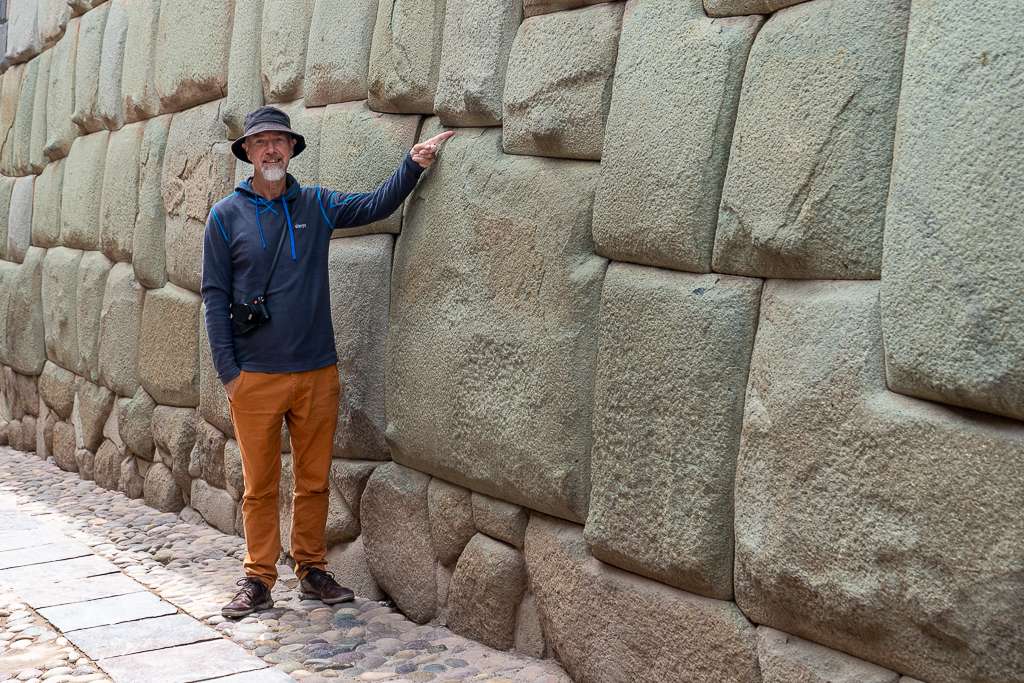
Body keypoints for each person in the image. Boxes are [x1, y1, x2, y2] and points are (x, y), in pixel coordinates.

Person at [201, 105, 453, 618]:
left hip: (318, 371)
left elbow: (374, 206)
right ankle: (257, 578)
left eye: (279, 141)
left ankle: (312, 569)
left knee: (314, 479)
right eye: (261, 142)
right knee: (260, 485)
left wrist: (413, 164)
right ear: (247, 152)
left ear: (292, 149)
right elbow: (214, 296)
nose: (271, 149)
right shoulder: (225, 216)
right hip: (255, 376)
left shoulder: (316, 204)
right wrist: (230, 375)